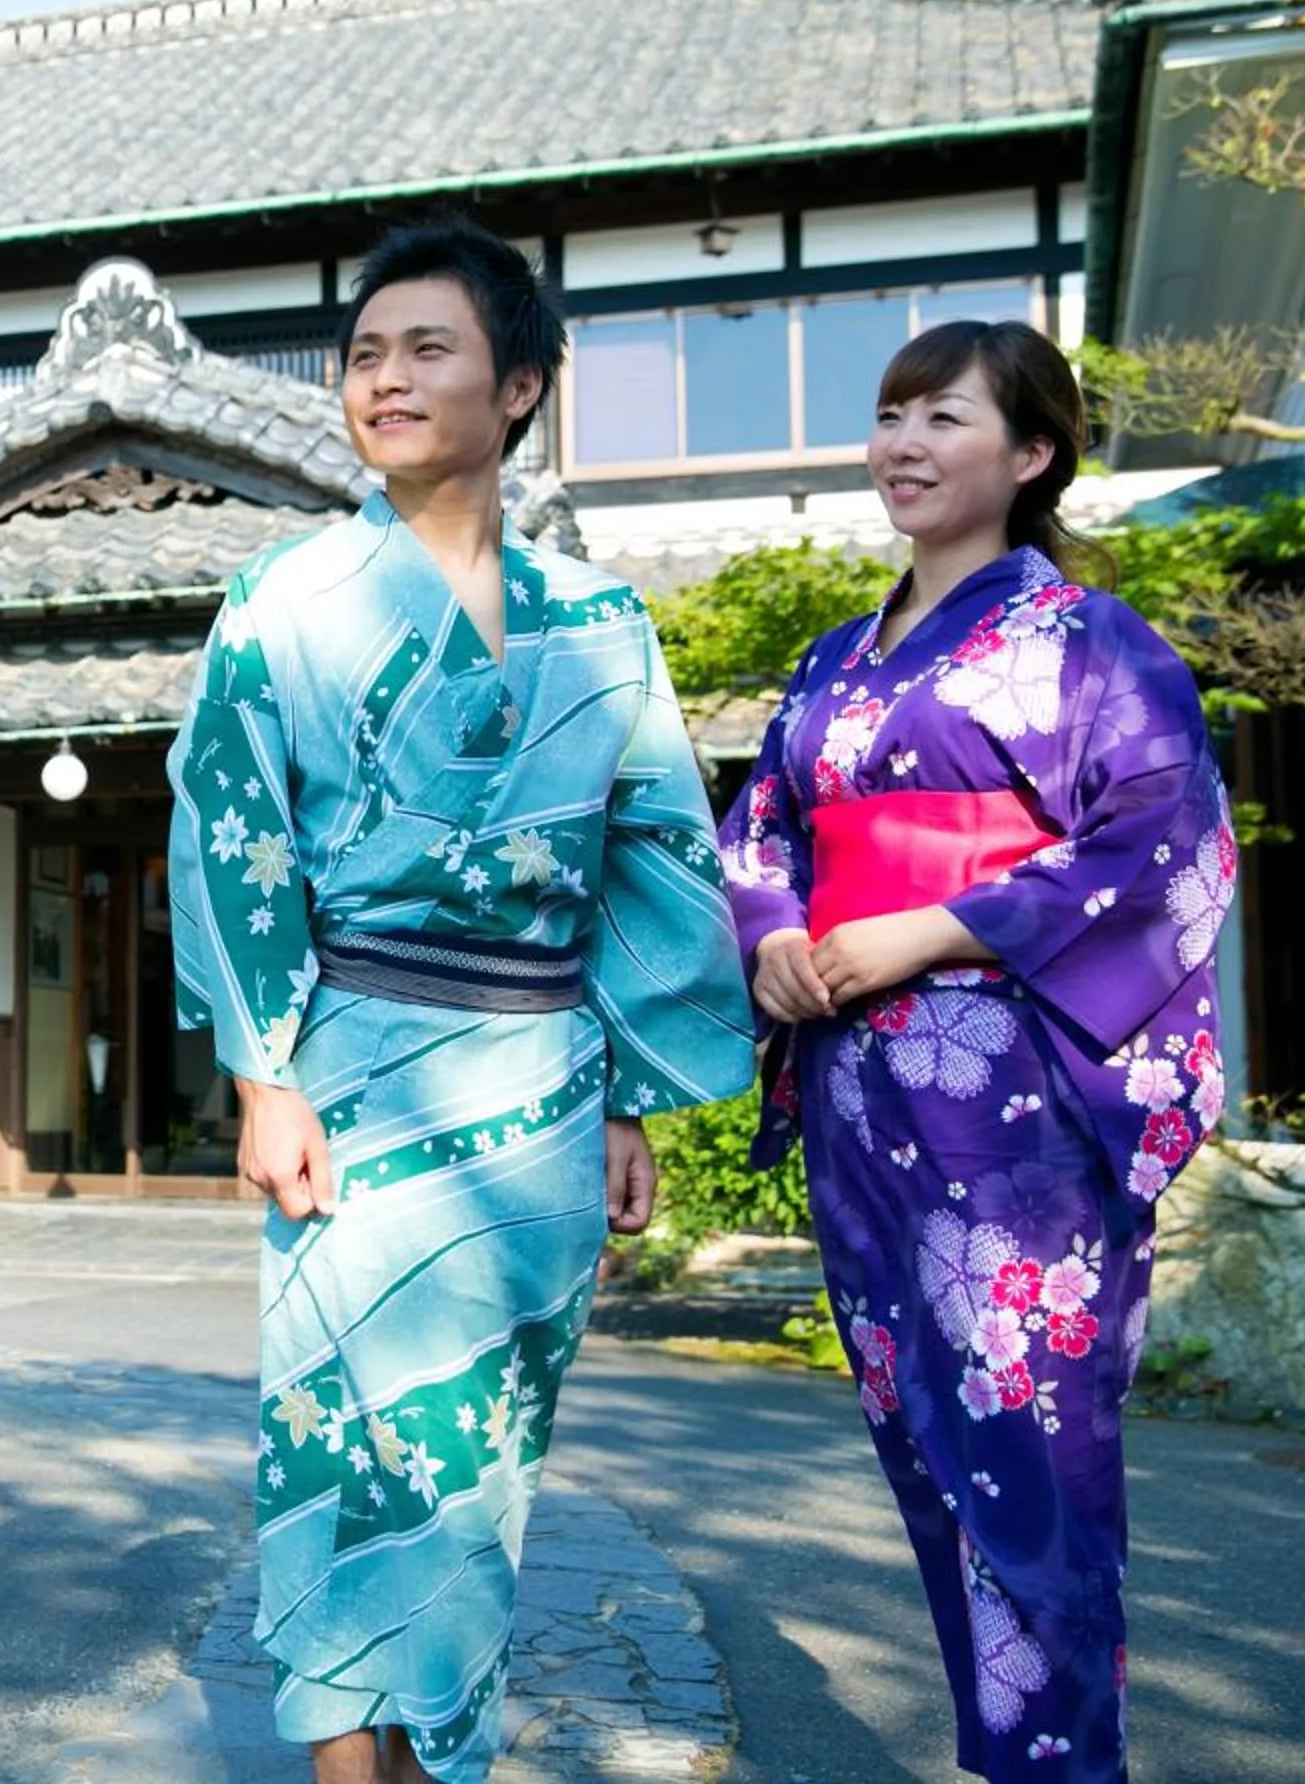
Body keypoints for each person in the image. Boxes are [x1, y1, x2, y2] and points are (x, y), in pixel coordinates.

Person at [167, 215, 751, 1784]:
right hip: (350, 1070)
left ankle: (442, 1750)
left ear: (520, 390)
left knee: (478, 1466)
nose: (387, 379)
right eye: (365, 355)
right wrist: (263, 1074)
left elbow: (655, 865)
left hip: (542, 1094)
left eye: (430, 348)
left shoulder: (604, 625)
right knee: (340, 1437)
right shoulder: (282, 599)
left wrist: (629, 1095)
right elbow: (231, 835)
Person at [714, 320, 1235, 1783]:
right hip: (858, 1091)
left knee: (1036, 1456)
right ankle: (1013, 1750)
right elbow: (760, 834)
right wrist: (770, 936)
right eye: (890, 416)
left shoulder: (1089, 640)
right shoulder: (833, 660)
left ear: (1032, 454)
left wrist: (931, 930)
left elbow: (1160, 848)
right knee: (929, 1450)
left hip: (1012, 1107)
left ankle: (1064, 1763)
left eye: (944, 417)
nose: (903, 445)